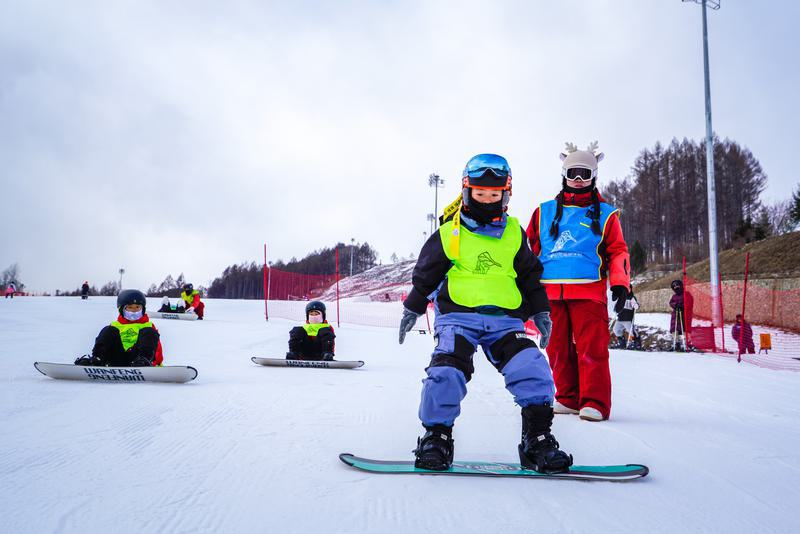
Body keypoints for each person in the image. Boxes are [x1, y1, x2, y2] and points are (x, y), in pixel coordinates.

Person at [398, 153, 572, 474]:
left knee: (532, 367)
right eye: (480, 194)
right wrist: (413, 305)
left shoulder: (514, 234)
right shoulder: (451, 233)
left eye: (495, 195)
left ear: (506, 194)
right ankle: (436, 437)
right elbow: (427, 274)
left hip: (505, 321)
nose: (487, 200)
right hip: (458, 319)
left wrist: (541, 312)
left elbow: (531, 276)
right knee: (447, 370)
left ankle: (537, 439)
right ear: (466, 191)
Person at [526, 142, 631, 422]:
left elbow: (618, 250)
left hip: (588, 291)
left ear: (594, 175)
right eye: (573, 172)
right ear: (564, 173)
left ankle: (594, 402)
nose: (578, 180)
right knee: (556, 347)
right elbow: (529, 250)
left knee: (591, 348)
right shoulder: (543, 211)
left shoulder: (606, 214)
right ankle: (568, 397)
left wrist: (620, 283)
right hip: (550, 292)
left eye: (585, 173)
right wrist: (524, 282)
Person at [74, 289, 164, 367]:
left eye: (137, 307)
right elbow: (105, 342)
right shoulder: (115, 325)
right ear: (121, 309)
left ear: (143, 309)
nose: (134, 310)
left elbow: (157, 348)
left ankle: (144, 361)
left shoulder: (148, 325)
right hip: (117, 358)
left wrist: (157, 363)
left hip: (137, 360)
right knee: (108, 330)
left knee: (149, 332)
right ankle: (97, 359)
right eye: (130, 307)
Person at [669, 279, 694, 350]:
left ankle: (687, 344)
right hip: (676, 315)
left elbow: (689, 303)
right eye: (674, 286)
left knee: (685, 329)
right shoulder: (674, 296)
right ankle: (676, 343)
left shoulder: (687, 294)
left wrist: (682, 306)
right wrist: (676, 305)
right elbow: (671, 303)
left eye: (677, 285)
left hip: (685, 315)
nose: (676, 287)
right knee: (674, 329)